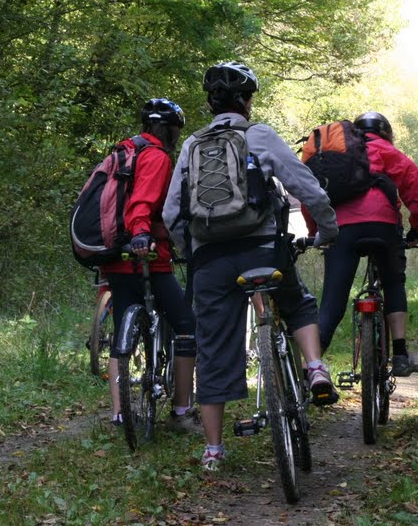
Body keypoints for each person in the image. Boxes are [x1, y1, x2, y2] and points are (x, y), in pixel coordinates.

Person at [163, 61, 340, 472]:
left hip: (210, 261)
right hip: (263, 249)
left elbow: (172, 212)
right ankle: (314, 367)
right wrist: (328, 230)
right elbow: (305, 186)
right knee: (296, 303)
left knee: (213, 346)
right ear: (247, 101)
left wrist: (191, 251)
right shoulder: (258, 135)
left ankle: (213, 451)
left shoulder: (190, 145)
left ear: (210, 103)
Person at [311, 111, 418, 378]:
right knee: (392, 282)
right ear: (386, 133)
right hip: (383, 226)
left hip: (340, 229)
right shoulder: (388, 151)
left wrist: (316, 233)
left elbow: (312, 192)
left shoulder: (336, 155)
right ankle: (400, 354)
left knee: (332, 298)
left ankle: (311, 370)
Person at [100, 98, 199, 434]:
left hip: (114, 255)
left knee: (120, 333)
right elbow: (142, 201)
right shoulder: (155, 156)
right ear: (169, 130)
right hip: (147, 256)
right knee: (186, 326)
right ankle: (182, 412)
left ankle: (119, 413)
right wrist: (142, 234)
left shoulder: (122, 151)